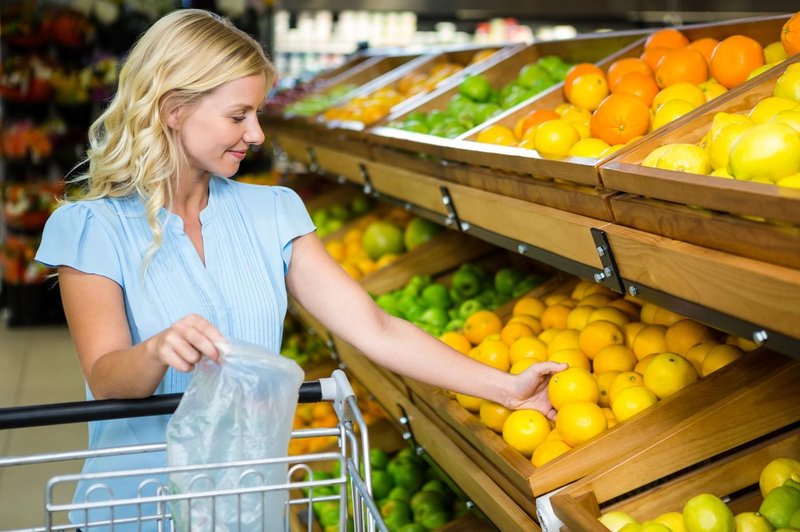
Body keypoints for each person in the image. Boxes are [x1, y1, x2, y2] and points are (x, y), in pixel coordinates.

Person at [35, 8, 566, 530]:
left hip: (248, 502)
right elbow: (106, 378)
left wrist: (506, 389)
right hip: (137, 506)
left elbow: (375, 328)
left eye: (257, 114)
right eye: (239, 115)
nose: (258, 134)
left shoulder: (275, 212)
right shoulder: (90, 228)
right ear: (174, 109)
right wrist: (155, 351)